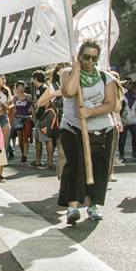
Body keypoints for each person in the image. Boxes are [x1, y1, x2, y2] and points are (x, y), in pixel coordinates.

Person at [57, 41, 117, 224]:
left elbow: (110, 104)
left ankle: (93, 206)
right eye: (86, 57)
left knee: (98, 169)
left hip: (102, 129)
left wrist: (90, 112)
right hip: (73, 127)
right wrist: (76, 69)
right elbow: (68, 91)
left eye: (94, 58)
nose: (89, 61)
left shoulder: (106, 78)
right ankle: (72, 207)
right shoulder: (67, 73)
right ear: (79, 56)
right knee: (75, 166)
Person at [117, 77, 136, 164]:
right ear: (124, 84)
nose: (131, 85)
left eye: (132, 83)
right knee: (122, 139)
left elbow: (135, 107)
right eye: (129, 83)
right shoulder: (120, 93)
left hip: (133, 120)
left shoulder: (132, 94)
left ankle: (135, 152)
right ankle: (122, 155)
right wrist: (118, 120)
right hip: (123, 120)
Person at [10, 82, 33, 163]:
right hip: (17, 118)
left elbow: (31, 107)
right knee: (20, 140)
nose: (21, 88)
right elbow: (13, 109)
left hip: (27, 118)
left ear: (24, 87)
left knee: (25, 138)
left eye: (22, 86)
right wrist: (12, 120)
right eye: (19, 86)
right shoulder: (15, 98)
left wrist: (34, 118)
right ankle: (23, 152)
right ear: (17, 88)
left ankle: (24, 156)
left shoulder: (28, 96)